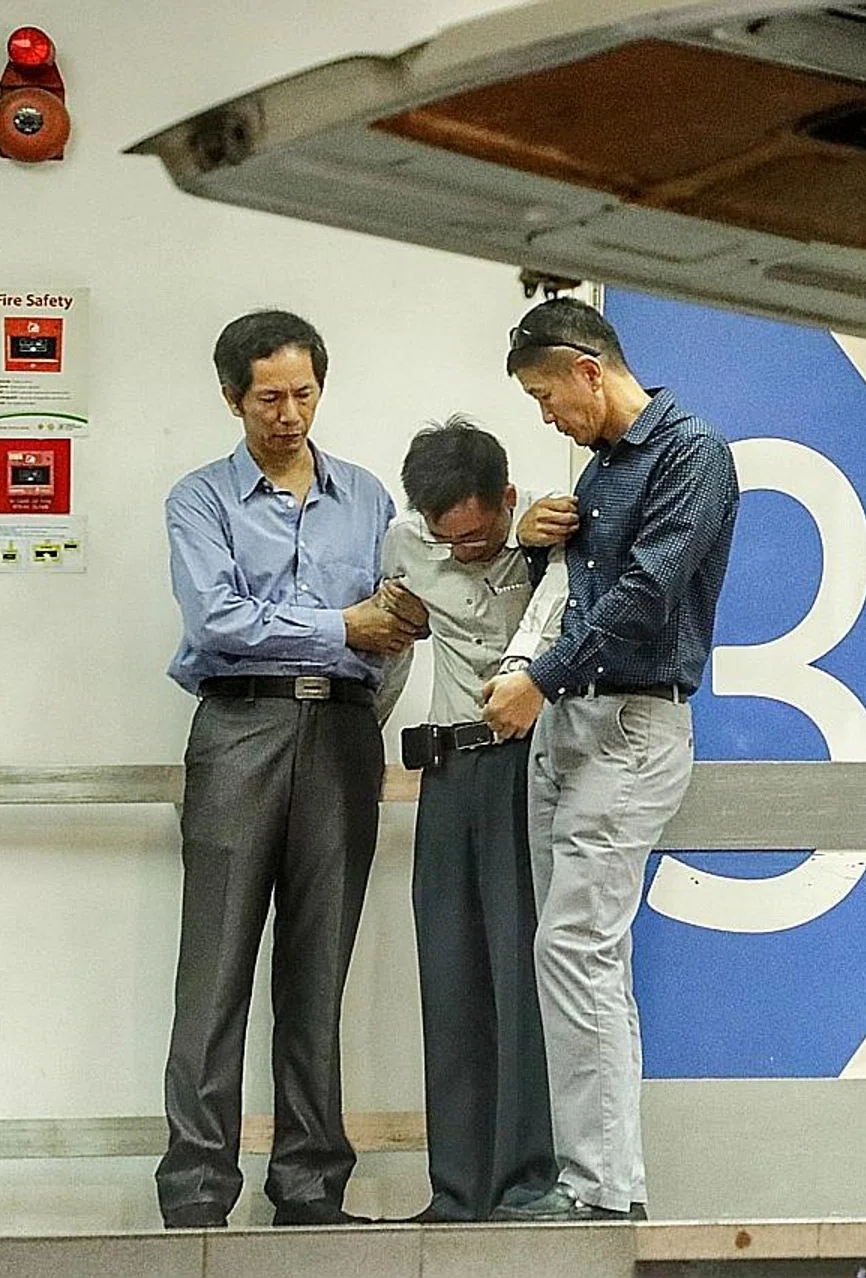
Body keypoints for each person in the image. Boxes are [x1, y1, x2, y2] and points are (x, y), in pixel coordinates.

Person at [157, 310, 423, 1229]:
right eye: (269, 397)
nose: (289, 414)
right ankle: (195, 1190)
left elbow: (397, 627)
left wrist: (358, 696)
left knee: (319, 975)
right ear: (233, 398)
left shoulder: (369, 498)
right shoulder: (200, 499)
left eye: (304, 394)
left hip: (343, 733)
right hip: (239, 726)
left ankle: (310, 1187)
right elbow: (219, 622)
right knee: (216, 970)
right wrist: (340, 630)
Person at [480, 297, 740, 1222]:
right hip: (569, 728)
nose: (546, 416)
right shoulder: (596, 474)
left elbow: (647, 596)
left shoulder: (691, 453)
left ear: (591, 368)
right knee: (588, 962)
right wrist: (538, 537)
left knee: (574, 948)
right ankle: (603, 1184)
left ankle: (597, 1193)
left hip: (629, 726)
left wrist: (539, 681)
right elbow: (571, 591)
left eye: (549, 395)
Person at [381, 416, 568, 1222]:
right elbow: (395, 609)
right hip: (445, 774)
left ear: (507, 500)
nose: (460, 547)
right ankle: (455, 1190)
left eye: (476, 533)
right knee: (449, 978)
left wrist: (522, 548)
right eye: (444, 537)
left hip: (524, 769)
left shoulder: (551, 547)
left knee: (521, 977)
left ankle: (527, 1182)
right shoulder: (403, 543)